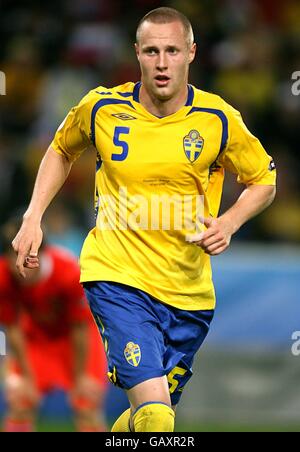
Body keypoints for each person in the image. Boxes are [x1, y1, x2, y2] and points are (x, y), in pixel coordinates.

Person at [12, 7, 276, 432]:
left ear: (191, 52)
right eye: (151, 51)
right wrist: (33, 217)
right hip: (118, 278)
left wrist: (229, 222)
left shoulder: (218, 119)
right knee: (155, 416)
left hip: (188, 296)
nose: (162, 62)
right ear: (136, 53)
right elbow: (61, 149)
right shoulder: (101, 107)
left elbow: (264, 179)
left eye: (172, 50)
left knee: (146, 419)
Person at [0, 218, 107, 432]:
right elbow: (11, 328)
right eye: (13, 257)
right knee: (20, 401)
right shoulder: (3, 277)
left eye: (26, 257)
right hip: (37, 339)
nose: (19, 265)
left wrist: (80, 376)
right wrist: (24, 377)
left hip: (78, 340)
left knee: (86, 406)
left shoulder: (69, 272)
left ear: (43, 252)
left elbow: (79, 328)